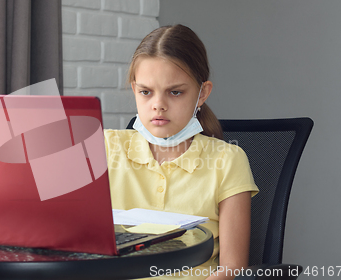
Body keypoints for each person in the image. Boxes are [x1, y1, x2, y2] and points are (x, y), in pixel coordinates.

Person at [104, 24, 259, 280]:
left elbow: (232, 269)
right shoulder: (106, 147)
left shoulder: (228, 159)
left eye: (175, 92)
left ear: (202, 93)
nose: (158, 105)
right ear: (134, 90)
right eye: (145, 92)